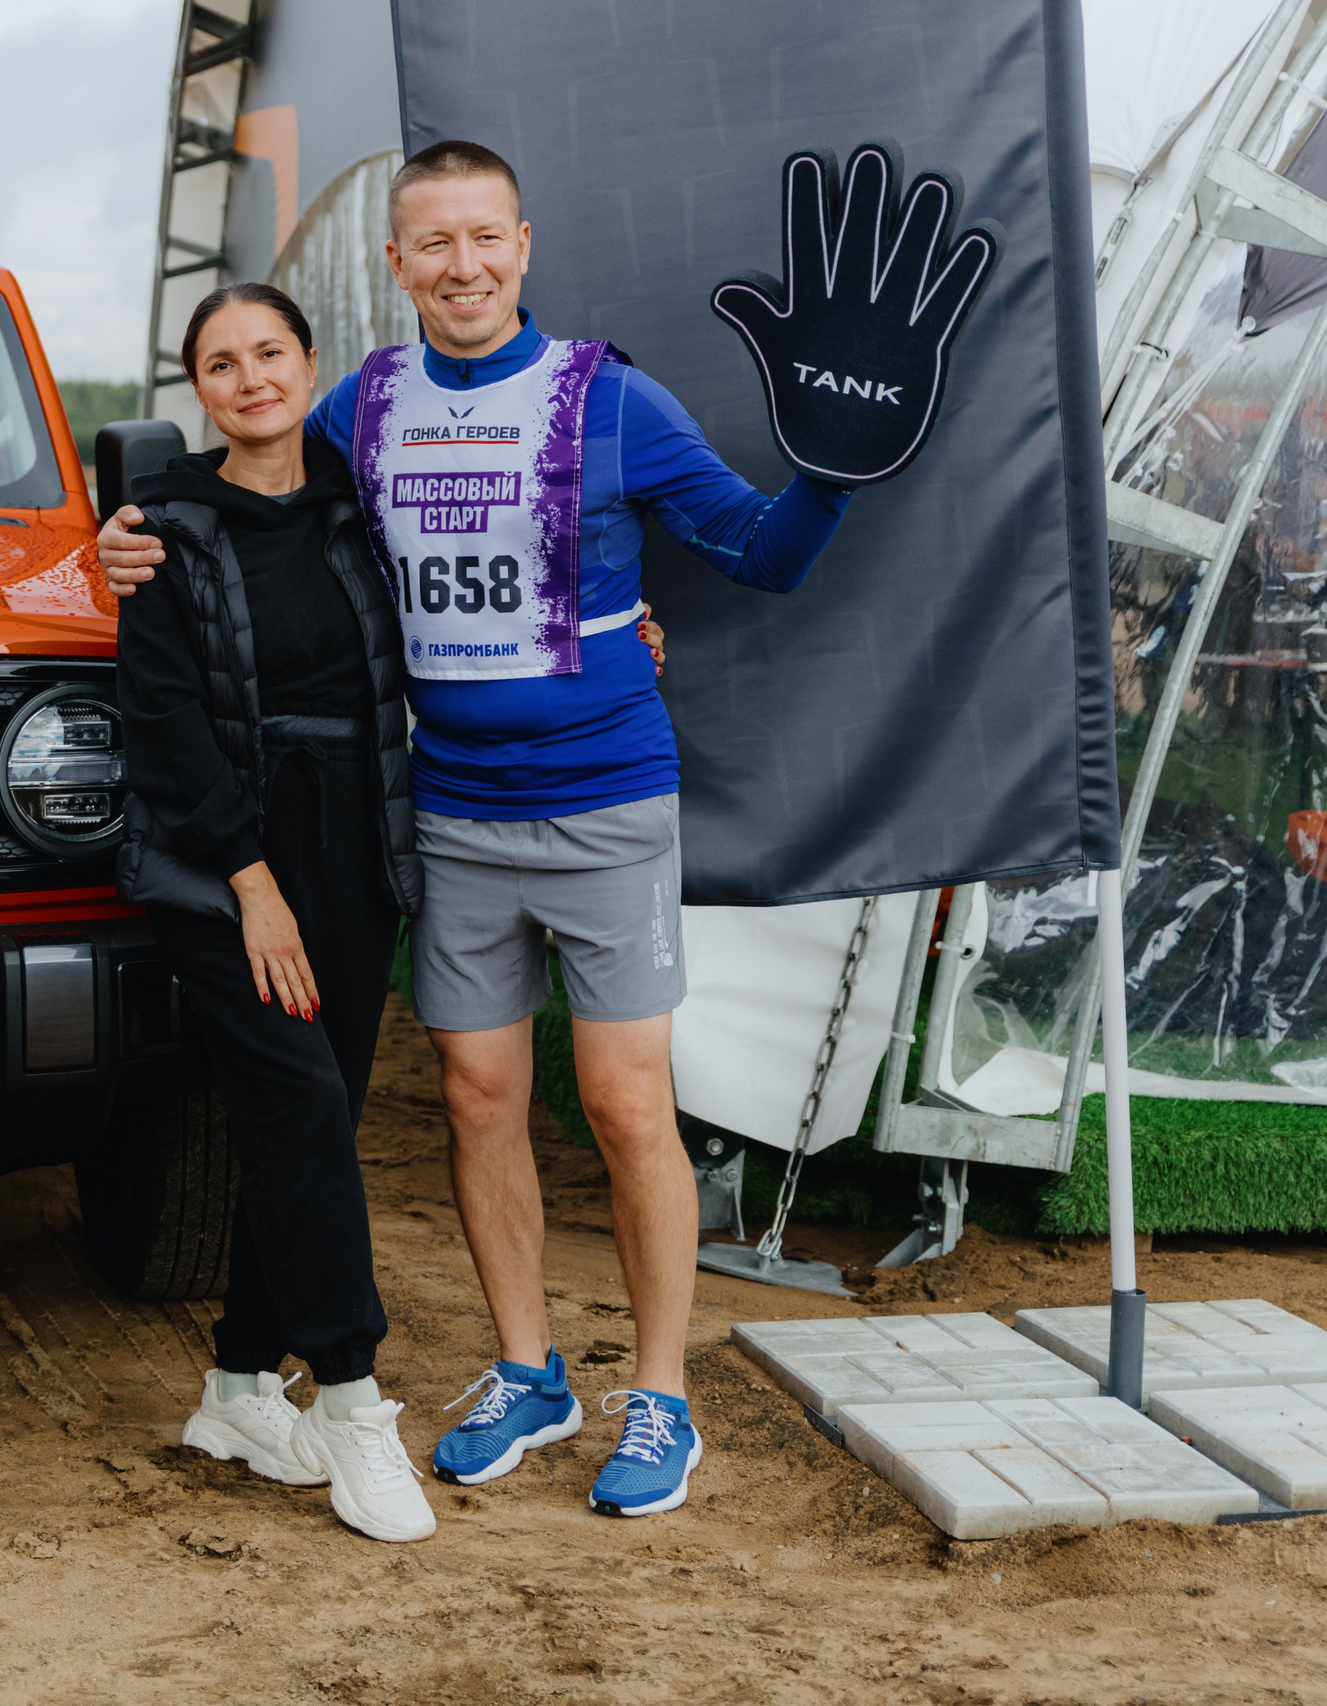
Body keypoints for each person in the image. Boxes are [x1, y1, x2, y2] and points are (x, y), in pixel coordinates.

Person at [101, 141, 854, 1518]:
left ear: (524, 244)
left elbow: (764, 550)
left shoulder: (611, 397)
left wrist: (838, 469)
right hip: (445, 812)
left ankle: (664, 1398)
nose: (460, 267)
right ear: (397, 265)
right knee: (474, 1100)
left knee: (628, 1106)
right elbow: (259, 505)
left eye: (483, 240)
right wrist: (126, 543)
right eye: (431, 245)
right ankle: (527, 1371)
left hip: (607, 800)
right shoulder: (359, 409)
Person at [116, 281, 434, 1543]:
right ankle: (353, 1401)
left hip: (353, 837)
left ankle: (240, 1386)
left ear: (310, 365)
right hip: (221, 862)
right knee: (298, 1101)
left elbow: (474, 602)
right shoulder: (165, 527)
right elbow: (164, 724)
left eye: (269, 353)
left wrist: (621, 618)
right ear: (197, 389)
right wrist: (251, 883)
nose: (250, 377)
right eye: (220, 363)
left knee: (313, 1114)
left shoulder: (363, 505)